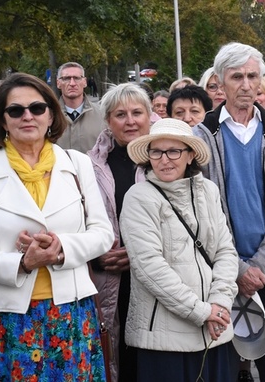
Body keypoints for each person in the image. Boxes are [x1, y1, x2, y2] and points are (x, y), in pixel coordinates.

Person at [0, 72, 113, 380]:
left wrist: (61, 249)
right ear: (2, 119)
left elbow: (103, 234)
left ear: (51, 114)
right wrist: (20, 263)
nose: (27, 116)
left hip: (70, 314)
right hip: (1, 318)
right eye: (15, 110)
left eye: (37, 108)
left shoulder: (77, 163)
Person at [195, 43, 265, 382]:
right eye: (236, 76)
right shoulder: (200, 137)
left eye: (252, 76)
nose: (245, 84)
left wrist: (258, 265)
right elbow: (199, 213)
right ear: (219, 82)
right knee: (224, 371)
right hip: (218, 275)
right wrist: (237, 268)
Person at [120, 119, 238, 381]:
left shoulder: (208, 190)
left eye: (174, 151)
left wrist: (220, 303)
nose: (165, 160)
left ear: (190, 155)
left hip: (215, 331)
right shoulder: (138, 197)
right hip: (164, 340)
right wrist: (202, 312)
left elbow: (226, 251)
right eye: (156, 152)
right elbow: (149, 268)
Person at [88, 83, 152, 382]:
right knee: (115, 355)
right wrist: (96, 255)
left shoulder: (166, 159)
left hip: (155, 276)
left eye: (137, 112)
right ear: (108, 121)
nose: (130, 121)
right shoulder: (89, 165)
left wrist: (139, 254)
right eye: (120, 114)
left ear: (149, 116)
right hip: (108, 275)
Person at [56, 62, 105, 154]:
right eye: (66, 78)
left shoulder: (103, 115)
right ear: (58, 83)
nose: (72, 83)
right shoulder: (48, 116)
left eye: (77, 78)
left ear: (85, 82)